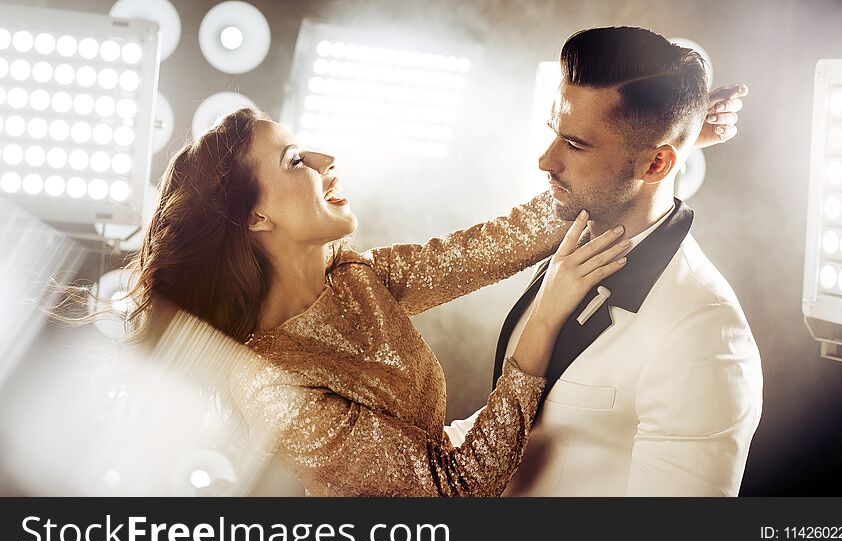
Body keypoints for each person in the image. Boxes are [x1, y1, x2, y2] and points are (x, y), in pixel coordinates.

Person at [126, 106, 634, 496]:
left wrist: (632, 152)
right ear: (257, 217)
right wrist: (547, 314)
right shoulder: (268, 383)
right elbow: (457, 489)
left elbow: (508, 237)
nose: (326, 161)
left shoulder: (356, 278)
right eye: (295, 161)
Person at [446, 27, 763, 497]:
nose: (544, 160)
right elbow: (513, 433)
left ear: (656, 165)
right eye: (554, 132)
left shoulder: (705, 332)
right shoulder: (574, 237)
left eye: (575, 144)